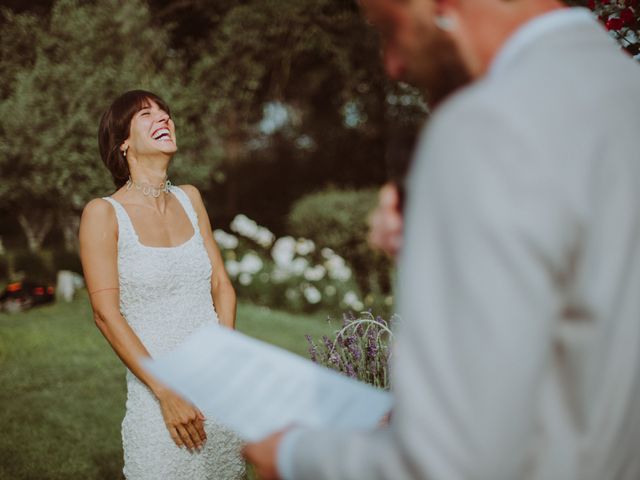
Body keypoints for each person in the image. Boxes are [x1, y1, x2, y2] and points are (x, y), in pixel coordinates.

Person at [242, 1, 640, 479]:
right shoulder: (622, 91)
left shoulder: (486, 125)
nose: (393, 65)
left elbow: (449, 464)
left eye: (389, 29)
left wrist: (291, 455)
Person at [79, 90, 245, 479]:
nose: (164, 119)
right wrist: (166, 393)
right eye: (146, 115)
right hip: (159, 402)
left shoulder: (191, 198)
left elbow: (221, 284)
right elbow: (105, 314)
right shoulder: (102, 213)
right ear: (123, 143)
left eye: (166, 113)